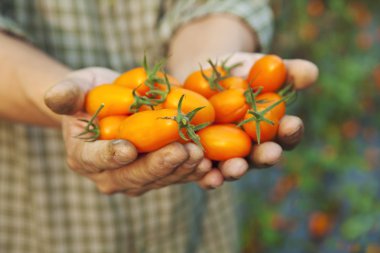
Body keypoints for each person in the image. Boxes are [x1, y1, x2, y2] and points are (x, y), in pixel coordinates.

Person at [0, 0, 318, 252]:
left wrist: (205, 59)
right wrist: (55, 96)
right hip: (43, 219)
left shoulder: (182, 110)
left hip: (193, 214)